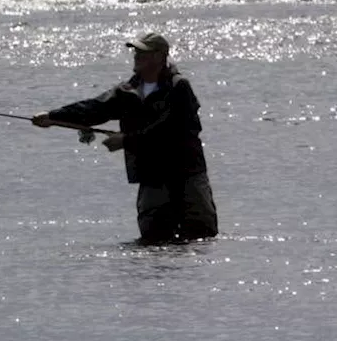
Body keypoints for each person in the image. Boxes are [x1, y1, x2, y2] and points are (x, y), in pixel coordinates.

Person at [32, 32, 218, 245]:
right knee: (153, 241)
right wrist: (53, 116)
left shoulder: (179, 87)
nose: (136, 56)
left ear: (159, 57)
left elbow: (174, 129)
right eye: (135, 51)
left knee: (201, 239)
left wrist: (126, 141)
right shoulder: (127, 91)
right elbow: (94, 109)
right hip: (151, 178)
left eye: (142, 52)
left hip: (187, 176)